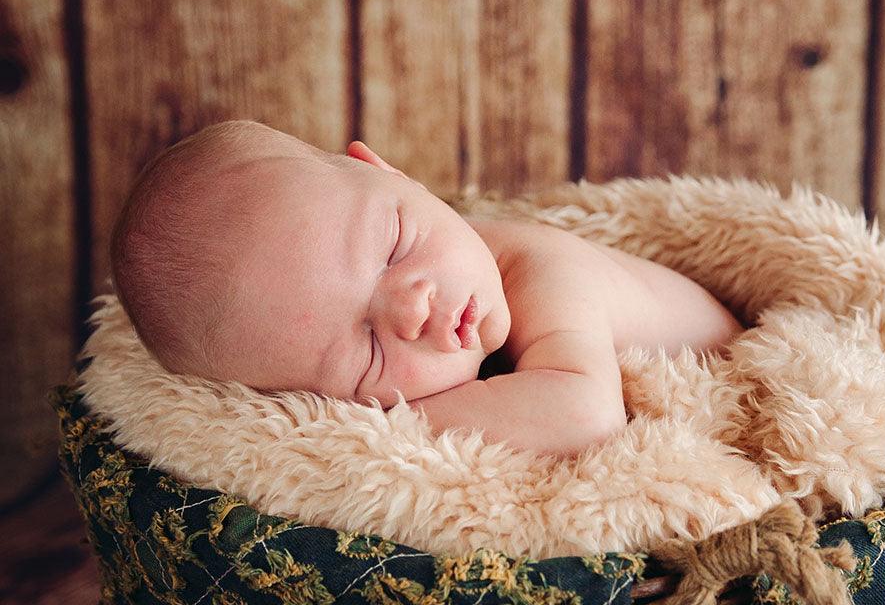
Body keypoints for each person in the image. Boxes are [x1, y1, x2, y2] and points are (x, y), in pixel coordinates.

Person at [110, 120, 746, 457]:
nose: (413, 308)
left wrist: (379, 425)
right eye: (366, 351)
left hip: (735, 380)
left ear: (390, 173)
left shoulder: (542, 271)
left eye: (394, 244)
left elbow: (584, 415)